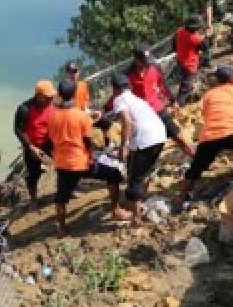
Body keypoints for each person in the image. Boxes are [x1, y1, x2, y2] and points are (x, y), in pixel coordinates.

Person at [48, 78, 127, 236]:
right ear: (74, 94)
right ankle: (116, 210)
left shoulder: (52, 116)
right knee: (113, 174)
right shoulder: (81, 116)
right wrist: (90, 156)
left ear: (59, 94)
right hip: (81, 161)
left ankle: (62, 227)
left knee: (61, 198)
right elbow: (87, 141)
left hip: (62, 163)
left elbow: (51, 139)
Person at [179, 66, 233, 209]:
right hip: (229, 137)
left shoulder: (208, 94)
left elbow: (208, 115)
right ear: (232, 78)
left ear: (218, 80)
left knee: (195, 168)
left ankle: (182, 197)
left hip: (207, 138)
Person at [109, 73, 167, 225]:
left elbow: (127, 123)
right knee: (143, 170)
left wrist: (124, 146)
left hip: (145, 139)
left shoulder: (119, 100)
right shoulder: (136, 99)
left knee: (135, 177)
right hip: (159, 134)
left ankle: (136, 218)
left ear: (115, 89)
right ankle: (139, 202)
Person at [126, 46, 195, 155]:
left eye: (149, 61)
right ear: (137, 60)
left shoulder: (154, 68)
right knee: (146, 146)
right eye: (145, 61)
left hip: (158, 108)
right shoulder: (127, 75)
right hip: (141, 115)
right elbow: (121, 96)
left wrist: (172, 100)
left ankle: (194, 158)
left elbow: (162, 86)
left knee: (179, 136)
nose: (148, 64)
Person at [14, 79, 57, 205]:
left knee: (62, 165)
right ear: (38, 96)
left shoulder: (52, 105)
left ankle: (63, 191)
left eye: (51, 97)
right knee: (34, 174)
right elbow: (18, 130)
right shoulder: (24, 109)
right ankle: (33, 199)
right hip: (32, 145)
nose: (50, 99)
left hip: (49, 142)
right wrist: (30, 147)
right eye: (47, 97)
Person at [173, 14, 205, 104]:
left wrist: (177, 50)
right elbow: (204, 47)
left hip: (180, 60)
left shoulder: (179, 30)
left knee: (184, 81)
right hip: (190, 65)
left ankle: (186, 97)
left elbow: (174, 43)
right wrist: (205, 38)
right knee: (185, 87)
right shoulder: (195, 39)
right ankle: (180, 104)